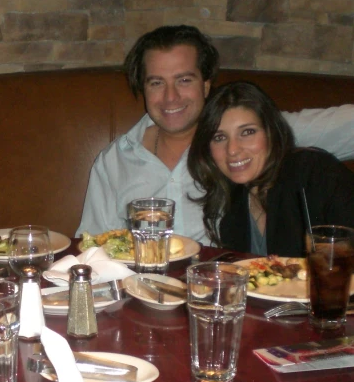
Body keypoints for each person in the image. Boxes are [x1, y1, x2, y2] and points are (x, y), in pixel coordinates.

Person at [76, 25, 354, 244]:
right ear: (143, 88)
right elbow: (92, 248)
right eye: (157, 82)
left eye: (184, 80)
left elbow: (343, 126)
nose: (170, 97)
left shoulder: (244, 140)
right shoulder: (114, 160)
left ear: (206, 85)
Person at [188, 81, 354, 256]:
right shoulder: (231, 202)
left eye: (247, 132)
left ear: (271, 132)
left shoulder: (315, 173)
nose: (232, 149)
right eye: (220, 137)